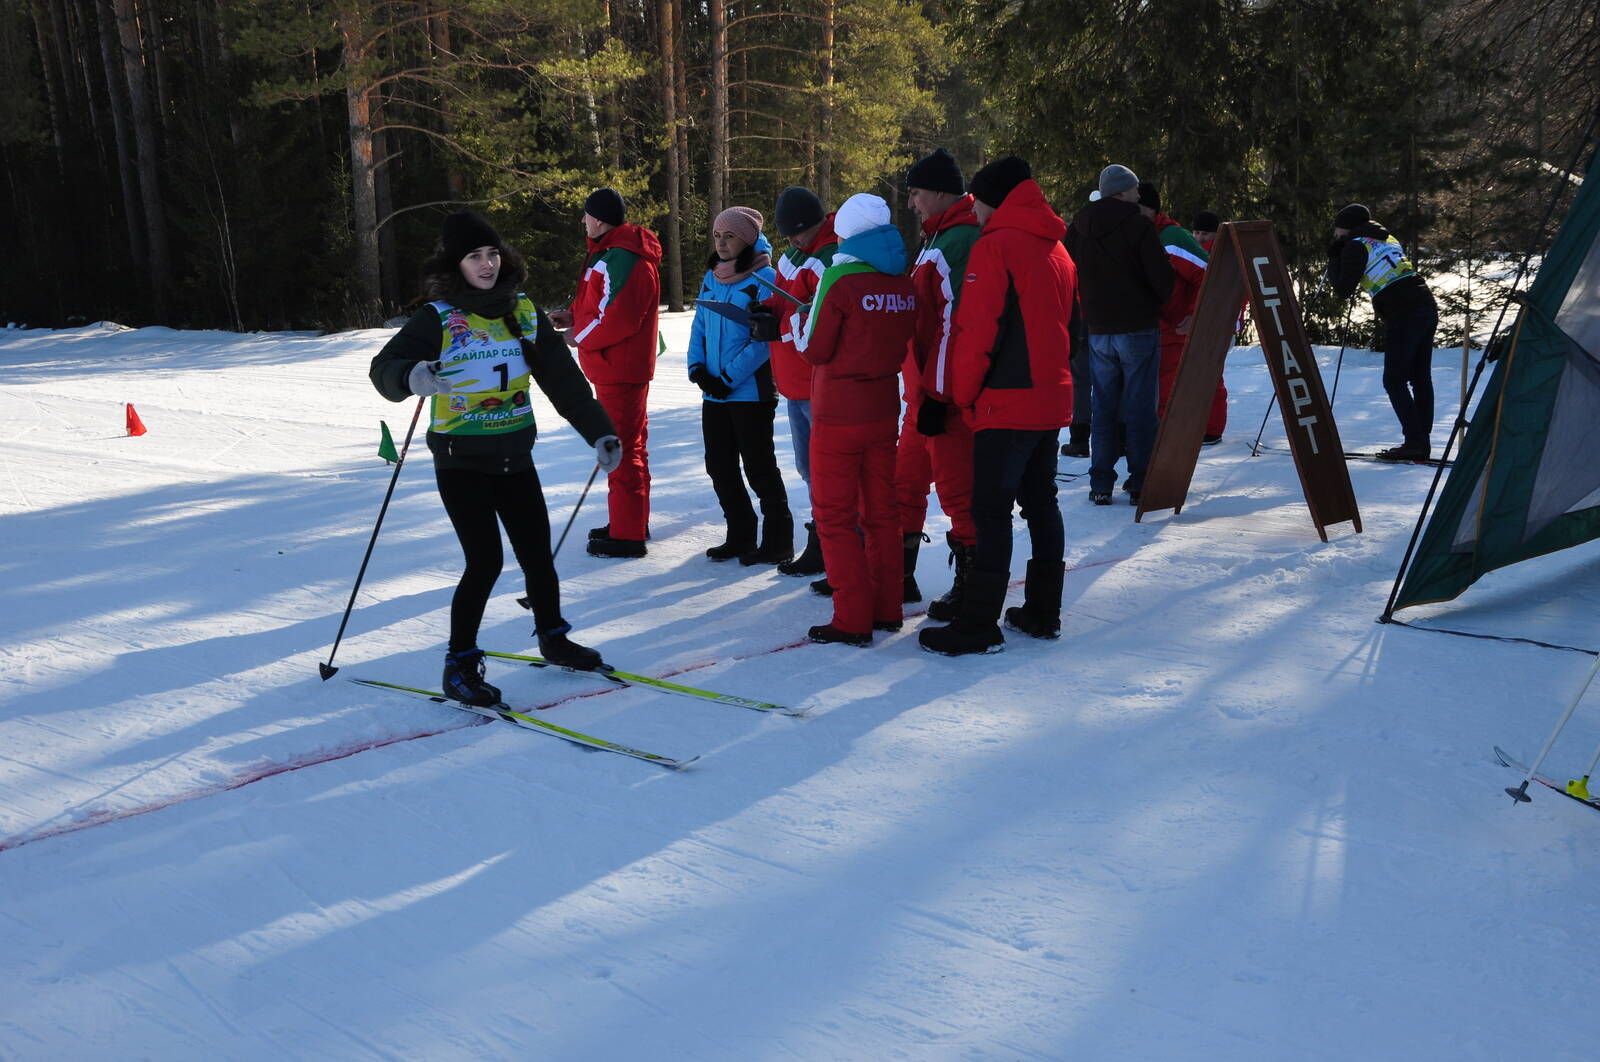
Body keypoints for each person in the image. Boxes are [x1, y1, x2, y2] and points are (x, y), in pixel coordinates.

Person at [369, 211, 620, 705]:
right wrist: (412, 376)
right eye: (473, 257)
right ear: (455, 264)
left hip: (514, 455)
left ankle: (552, 636)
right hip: (461, 460)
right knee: (484, 562)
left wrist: (600, 434)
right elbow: (383, 369)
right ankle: (459, 664)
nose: (486, 265)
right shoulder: (438, 317)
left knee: (537, 556)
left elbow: (564, 383)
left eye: (491, 254)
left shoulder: (522, 311)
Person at [919, 157, 1076, 656]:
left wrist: (961, 395)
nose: (977, 210)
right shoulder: (1057, 249)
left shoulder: (997, 246)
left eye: (981, 201)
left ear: (996, 199)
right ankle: (1042, 611)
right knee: (1041, 505)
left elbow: (975, 334)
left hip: (1006, 403)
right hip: (1050, 397)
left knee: (990, 514)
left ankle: (977, 623)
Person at [791, 192, 918, 645]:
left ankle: (852, 616)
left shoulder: (840, 277)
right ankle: (887, 607)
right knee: (881, 510)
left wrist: (795, 325)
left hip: (839, 412)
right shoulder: (902, 279)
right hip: (884, 406)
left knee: (835, 516)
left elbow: (815, 348)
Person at [551, 188, 662, 559]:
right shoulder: (609, 252)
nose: (583, 221)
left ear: (597, 218)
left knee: (621, 447)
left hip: (621, 368)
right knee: (630, 445)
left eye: (585, 215)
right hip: (614, 366)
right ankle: (629, 520)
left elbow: (619, 317)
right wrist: (572, 315)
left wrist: (576, 335)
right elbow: (597, 303)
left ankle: (628, 534)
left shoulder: (623, 256)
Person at [899, 147, 982, 621]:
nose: (911, 203)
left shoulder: (960, 241)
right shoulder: (936, 239)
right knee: (903, 482)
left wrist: (939, 393)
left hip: (944, 398)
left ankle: (972, 584)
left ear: (940, 192)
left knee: (958, 491)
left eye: (915, 193)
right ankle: (899, 573)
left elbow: (958, 327)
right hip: (921, 394)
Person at [688, 206, 795, 564]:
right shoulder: (713, 276)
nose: (721, 243)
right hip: (714, 392)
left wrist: (728, 378)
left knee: (759, 467)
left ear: (746, 239)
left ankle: (778, 540)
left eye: (729, 236)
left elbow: (763, 341)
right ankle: (741, 534)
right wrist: (698, 368)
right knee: (719, 465)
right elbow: (700, 324)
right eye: (717, 235)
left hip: (750, 392)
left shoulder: (765, 278)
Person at [1065, 164, 1174, 505]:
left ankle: (1100, 482)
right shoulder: (1138, 225)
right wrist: (1152, 303)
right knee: (1140, 407)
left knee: (1104, 405)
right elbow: (1163, 280)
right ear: (1123, 191)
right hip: (1136, 326)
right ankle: (1141, 479)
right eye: (1134, 188)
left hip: (1097, 328)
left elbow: (1068, 270)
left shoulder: (1079, 225)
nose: (1139, 194)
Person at [1328, 203, 1438, 461]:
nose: (1335, 233)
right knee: (1420, 378)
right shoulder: (1386, 237)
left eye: (1338, 229)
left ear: (1348, 228)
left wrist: (1334, 257)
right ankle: (1421, 440)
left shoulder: (1356, 246)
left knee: (1394, 379)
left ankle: (1415, 441)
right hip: (1425, 304)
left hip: (1404, 313)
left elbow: (1344, 289)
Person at [766, 186, 839, 578]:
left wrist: (775, 329)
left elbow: (818, 319)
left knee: (828, 471)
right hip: (795, 383)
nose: (794, 239)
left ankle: (834, 544)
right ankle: (822, 540)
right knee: (809, 469)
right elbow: (783, 300)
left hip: (817, 380)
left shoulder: (830, 256)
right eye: (790, 233)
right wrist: (762, 311)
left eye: (800, 231)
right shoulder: (795, 254)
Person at [1136, 181, 1226, 445]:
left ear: (1150, 209)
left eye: (1135, 207)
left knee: (1194, 377)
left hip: (1178, 326)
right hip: (1158, 324)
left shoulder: (1172, 237)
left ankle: (1202, 431)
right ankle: (1169, 435)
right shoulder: (1143, 234)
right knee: (1164, 383)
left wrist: (1193, 314)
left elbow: (1211, 274)